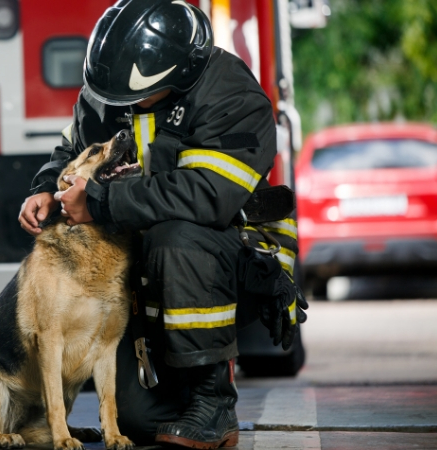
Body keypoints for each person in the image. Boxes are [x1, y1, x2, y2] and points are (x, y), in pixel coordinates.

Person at [18, 1, 282, 448]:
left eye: (137, 95)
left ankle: (213, 402)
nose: (125, 105)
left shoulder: (229, 94)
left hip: (224, 253)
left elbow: (206, 195)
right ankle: (180, 395)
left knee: (175, 238)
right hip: (142, 263)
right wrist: (46, 187)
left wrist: (99, 203)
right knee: (139, 422)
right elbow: (72, 148)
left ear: (178, 72)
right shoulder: (114, 87)